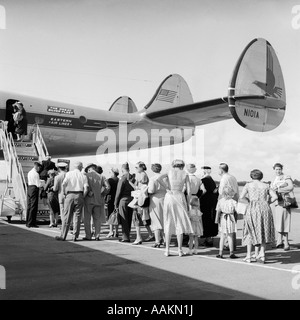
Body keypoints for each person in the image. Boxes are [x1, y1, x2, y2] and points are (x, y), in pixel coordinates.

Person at [158, 160, 194, 257]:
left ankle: (167, 250)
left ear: (173, 165)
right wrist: (189, 203)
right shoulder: (185, 174)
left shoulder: (169, 172)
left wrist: (166, 187)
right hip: (179, 196)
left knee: (168, 221)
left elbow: (159, 179)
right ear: (182, 166)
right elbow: (189, 191)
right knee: (179, 223)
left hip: (169, 196)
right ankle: (179, 250)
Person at [241, 169, 277, 264]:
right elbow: (275, 197)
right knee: (264, 229)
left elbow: (241, 196)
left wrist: (249, 200)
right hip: (265, 207)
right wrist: (268, 202)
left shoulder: (248, 185)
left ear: (251, 176)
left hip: (252, 208)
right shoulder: (266, 185)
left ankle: (248, 256)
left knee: (250, 230)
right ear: (261, 176)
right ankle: (262, 254)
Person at [55, 161, 89, 241]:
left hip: (69, 195)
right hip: (79, 195)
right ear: (80, 167)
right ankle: (75, 236)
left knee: (67, 216)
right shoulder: (83, 176)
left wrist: (64, 193)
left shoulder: (69, 174)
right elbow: (86, 188)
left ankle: (63, 236)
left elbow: (63, 184)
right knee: (77, 216)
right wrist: (82, 196)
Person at [83, 163, 110, 241]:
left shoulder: (86, 176)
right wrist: (102, 194)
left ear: (89, 169)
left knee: (87, 219)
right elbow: (108, 187)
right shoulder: (102, 176)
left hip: (88, 200)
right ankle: (97, 235)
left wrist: (87, 193)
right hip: (98, 200)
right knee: (97, 219)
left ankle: (88, 236)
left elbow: (85, 187)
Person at [271, 163, 295, 251]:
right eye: (276, 169)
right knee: (278, 222)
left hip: (285, 202)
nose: (278, 171)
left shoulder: (286, 177)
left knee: (285, 222)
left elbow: (291, 187)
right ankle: (279, 242)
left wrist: (279, 189)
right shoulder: (273, 179)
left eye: (279, 169)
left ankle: (286, 242)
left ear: (282, 169)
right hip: (277, 203)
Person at [218, 163, 239, 250]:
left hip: (226, 201)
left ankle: (226, 244)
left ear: (221, 170)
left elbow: (221, 191)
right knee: (232, 224)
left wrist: (219, 202)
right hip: (234, 200)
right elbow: (237, 189)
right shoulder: (233, 177)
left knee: (224, 224)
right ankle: (232, 245)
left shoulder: (224, 178)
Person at [132, 161, 154, 245]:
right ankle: (150, 234)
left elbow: (141, 188)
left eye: (137, 167)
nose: (136, 169)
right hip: (142, 199)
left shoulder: (142, 175)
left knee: (137, 217)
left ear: (141, 167)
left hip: (140, 199)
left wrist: (130, 182)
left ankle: (139, 237)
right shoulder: (143, 175)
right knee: (143, 218)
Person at [216, 187, 238, 259]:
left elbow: (218, 211)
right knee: (230, 236)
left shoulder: (220, 201)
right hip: (231, 218)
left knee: (222, 236)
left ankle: (220, 252)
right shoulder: (233, 202)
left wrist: (216, 220)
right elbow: (237, 211)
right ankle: (231, 253)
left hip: (223, 218)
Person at [114, 162, 135, 243]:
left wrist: (115, 203)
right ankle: (127, 235)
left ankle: (125, 237)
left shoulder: (122, 178)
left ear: (122, 169)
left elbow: (118, 192)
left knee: (124, 219)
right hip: (131, 199)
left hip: (123, 200)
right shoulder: (133, 178)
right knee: (129, 218)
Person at [148, 163, 167, 248]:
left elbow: (151, 190)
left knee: (155, 219)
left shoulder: (153, 178)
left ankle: (157, 240)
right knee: (164, 219)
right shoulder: (165, 177)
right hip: (165, 198)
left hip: (155, 199)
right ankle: (165, 239)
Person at [200, 166, 219, 247]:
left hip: (205, 202)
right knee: (210, 219)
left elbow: (202, 191)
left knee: (206, 219)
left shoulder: (204, 180)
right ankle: (209, 238)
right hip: (212, 202)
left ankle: (207, 238)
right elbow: (215, 191)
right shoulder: (211, 179)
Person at [26, 162, 42, 228]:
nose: (39, 169)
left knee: (29, 206)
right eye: (39, 167)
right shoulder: (36, 174)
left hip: (29, 188)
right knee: (34, 206)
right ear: (37, 167)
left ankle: (28, 222)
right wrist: (42, 183)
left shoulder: (29, 172)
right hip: (34, 189)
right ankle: (32, 223)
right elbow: (38, 184)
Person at [105, 167, 120, 238]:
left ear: (113, 173)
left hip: (111, 198)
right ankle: (116, 231)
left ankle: (111, 231)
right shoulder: (119, 180)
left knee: (110, 215)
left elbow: (107, 189)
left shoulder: (109, 180)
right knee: (116, 214)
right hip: (117, 199)